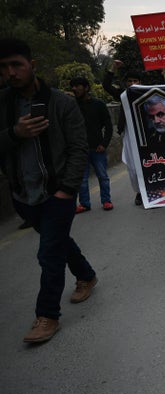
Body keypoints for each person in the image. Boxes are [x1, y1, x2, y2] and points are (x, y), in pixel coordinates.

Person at [0, 38, 98, 343]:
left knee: (49, 254)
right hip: (24, 196)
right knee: (58, 243)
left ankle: (47, 316)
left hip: (57, 193)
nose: (11, 73)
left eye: (16, 64)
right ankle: (86, 275)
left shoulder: (62, 103)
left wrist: (67, 190)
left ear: (32, 65)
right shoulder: (2, 105)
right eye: (4, 68)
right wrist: (14, 133)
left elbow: (78, 148)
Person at [102, 59, 144, 205]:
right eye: (130, 81)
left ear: (140, 82)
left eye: (135, 81)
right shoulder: (123, 95)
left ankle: (151, 191)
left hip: (145, 135)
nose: (132, 84)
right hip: (129, 134)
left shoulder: (146, 94)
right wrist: (113, 67)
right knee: (133, 166)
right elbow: (106, 86)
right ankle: (139, 192)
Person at [70, 76, 114, 213]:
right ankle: (84, 204)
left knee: (102, 176)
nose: (74, 89)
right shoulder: (71, 105)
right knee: (82, 179)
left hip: (97, 148)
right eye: (73, 86)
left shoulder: (98, 104)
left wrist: (104, 144)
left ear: (87, 88)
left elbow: (108, 126)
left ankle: (106, 200)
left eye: (78, 86)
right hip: (79, 149)